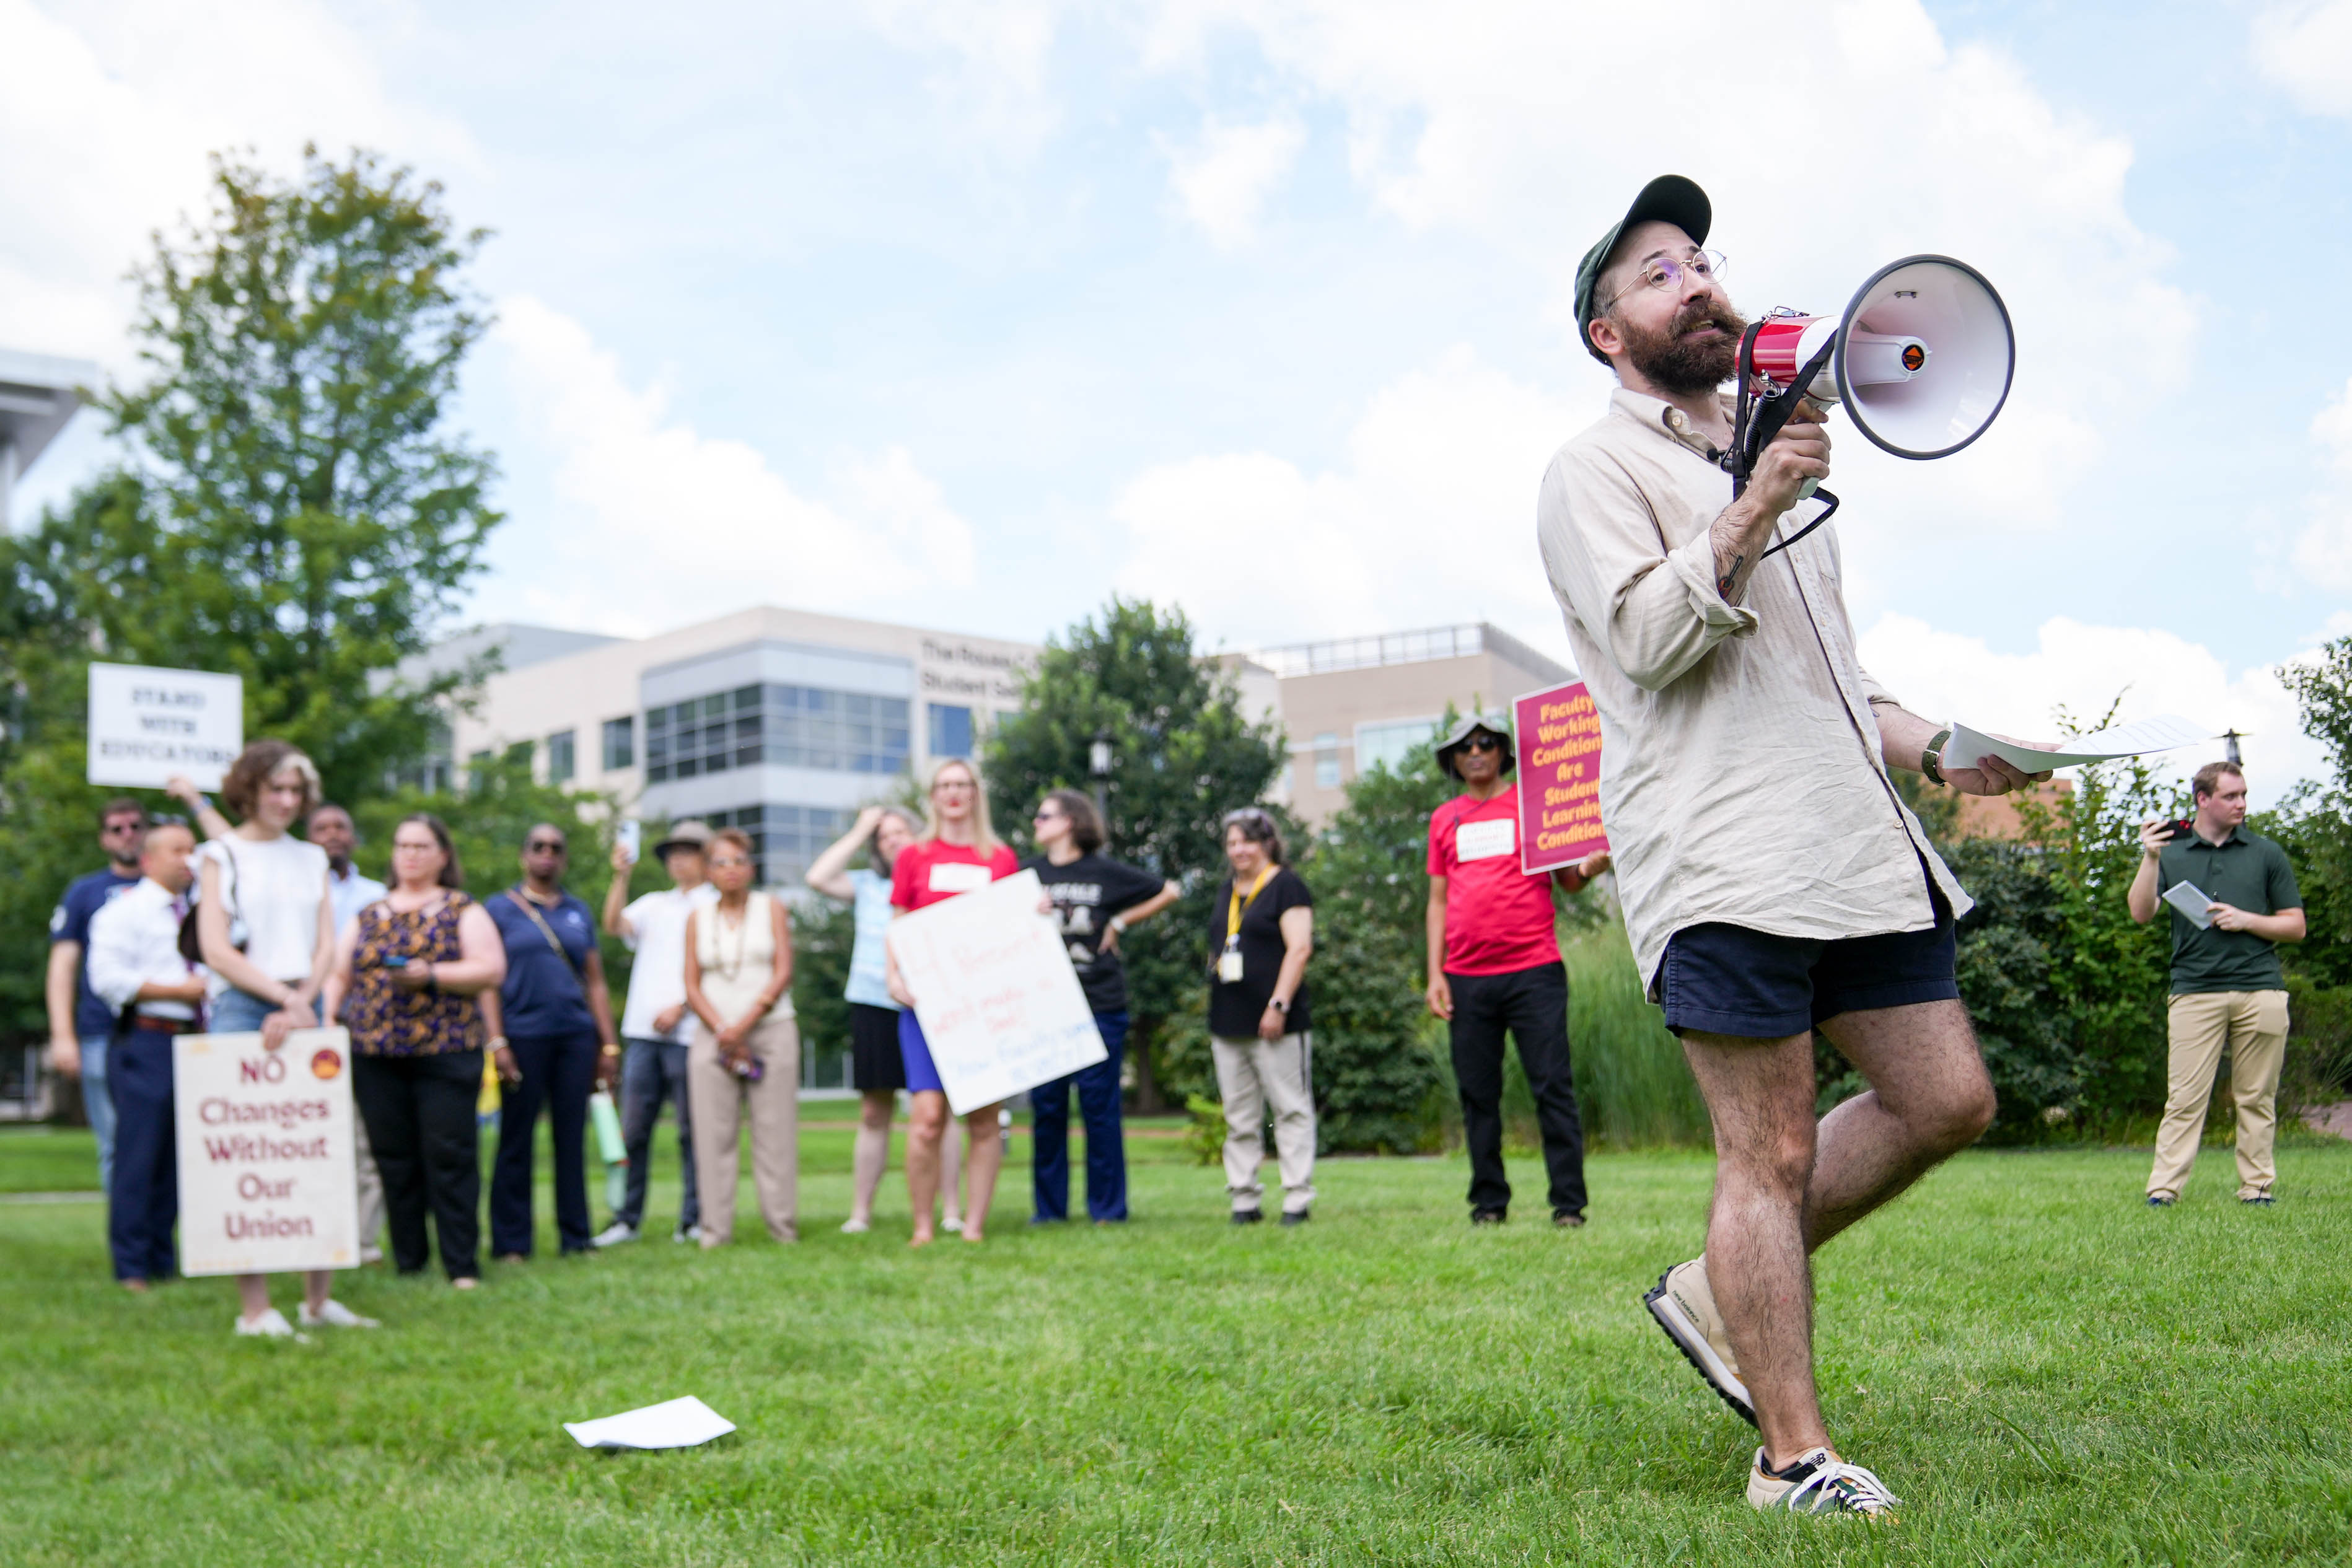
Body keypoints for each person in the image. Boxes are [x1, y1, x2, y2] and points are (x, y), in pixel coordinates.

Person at [1540, 174, 2050, 1515]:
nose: (1695, 279)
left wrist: (1942, 742)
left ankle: (1719, 1287)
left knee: (1946, 1097)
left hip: (1849, 847)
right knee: (1760, 1153)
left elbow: (1827, 677)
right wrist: (1756, 495)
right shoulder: (1595, 468)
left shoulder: (1767, 452)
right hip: (1723, 859)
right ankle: (1791, 1456)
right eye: (1656, 271)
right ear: (1607, 332)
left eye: (1699, 259)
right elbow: (1648, 640)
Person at [196, 739, 379, 1336]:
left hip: (305, 1001)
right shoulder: (220, 853)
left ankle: (317, 1299)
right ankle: (256, 1310)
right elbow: (215, 948)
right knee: (247, 1152)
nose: (286, 800)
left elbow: (328, 943)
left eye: (296, 790)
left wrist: (303, 1000)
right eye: (276, 787)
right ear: (249, 788)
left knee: (313, 1151)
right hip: (244, 1006)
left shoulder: (310, 858)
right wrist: (282, 999)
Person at [1424, 713, 1612, 1229]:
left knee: (1553, 1085)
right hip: (1465, 977)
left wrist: (1594, 865)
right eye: (1465, 746)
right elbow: (1437, 901)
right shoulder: (1444, 819)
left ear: (1503, 752)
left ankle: (1569, 1206)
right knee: (1477, 1093)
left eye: (1486, 742)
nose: (1477, 751)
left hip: (1535, 971)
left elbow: (1569, 881)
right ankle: (1489, 1203)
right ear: (1455, 760)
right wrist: (1435, 973)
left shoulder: (1534, 808)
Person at [322, 815, 505, 1286]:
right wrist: (328, 1016)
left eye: (422, 846)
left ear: (443, 854)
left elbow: (490, 969)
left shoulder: (463, 909)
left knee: (450, 1154)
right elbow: (340, 974)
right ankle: (409, 1260)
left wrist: (432, 975)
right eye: (403, 845)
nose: (411, 854)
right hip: (375, 1052)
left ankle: (461, 1263)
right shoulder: (368, 912)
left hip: (445, 1051)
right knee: (393, 1158)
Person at [2127, 761, 2306, 1207]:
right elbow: (2141, 912)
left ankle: (2257, 1188)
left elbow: (2297, 926)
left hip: (2261, 988)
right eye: (2231, 796)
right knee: (2185, 1098)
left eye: (2244, 794)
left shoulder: (2267, 853)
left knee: (2257, 1097)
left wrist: (2246, 919)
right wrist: (2150, 856)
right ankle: (2163, 1191)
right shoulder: (2171, 851)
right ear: (2203, 799)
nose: (2242, 803)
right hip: (2193, 990)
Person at [807, 805, 967, 1235]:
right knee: (874, 1111)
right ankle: (861, 1211)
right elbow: (817, 877)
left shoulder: (940, 879)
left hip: (930, 1003)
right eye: (883, 836)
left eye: (900, 831)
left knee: (942, 1110)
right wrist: (860, 828)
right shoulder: (867, 884)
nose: (891, 839)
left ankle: (951, 1208)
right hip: (873, 1003)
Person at [1025, 789, 1178, 1224]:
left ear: (1070, 821)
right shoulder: (1026, 874)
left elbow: (1169, 890)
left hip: (1100, 1005)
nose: (1037, 822)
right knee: (1049, 1110)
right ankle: (1049, 1212)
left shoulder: (1105, 872)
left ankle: (1108, 1210)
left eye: (1044, 815)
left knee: (1100, 1109)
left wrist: (1119, 920)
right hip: (1045, 1010)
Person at [886, 758, 1020, 1245]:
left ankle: (974, 1227)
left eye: (963, 784)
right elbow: (898, 920)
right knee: (926, 1120)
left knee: (984, 1119)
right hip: (925, 1007)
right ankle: (923, 1225)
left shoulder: (1000, 855)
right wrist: (894, 975)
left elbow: (1013, 923)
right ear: (934, 795)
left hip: (984, 1007)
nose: (954, 793)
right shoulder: (914, 855)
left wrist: (1037, 910)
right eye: (945, 785)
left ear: (976, 793)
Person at [484, 824, 622, 1261]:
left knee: (571, 1138)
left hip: (575, 1037)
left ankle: (576, 1237)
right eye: (538, 846)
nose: (547, 854)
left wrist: (609, 1044)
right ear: (524, 854)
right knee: (516, 1139)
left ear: (563, 858)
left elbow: (596, 982)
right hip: (522, 1034)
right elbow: (487, 982)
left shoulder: (578, 911)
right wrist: (496, 1039)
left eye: (555, 849)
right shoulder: (499, 910)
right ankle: (511, 1242)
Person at [85, 820, 205, 1291]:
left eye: (193, 849)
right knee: (139, 1155)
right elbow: (109, 980)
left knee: (178, 1157)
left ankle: (163, 1258)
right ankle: (131, 1265)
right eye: (178, 849)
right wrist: (180, 991)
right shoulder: (124, 912)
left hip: (195, 1040)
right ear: (150, 859)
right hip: (146, 1040)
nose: (189, 858)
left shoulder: (202, 910)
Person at [595, 819, 719, 1246]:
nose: (679, 860)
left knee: (691, 1130)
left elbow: (716, 969)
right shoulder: (653, 904)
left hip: (690, 1034)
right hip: (642, 1035)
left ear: (706, 858)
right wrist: (621, 875)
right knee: (634, 1130)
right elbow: (614, 925)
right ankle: (625, 1219)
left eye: (689, 851)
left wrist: (683, 1006)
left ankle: (693, 1218)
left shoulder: (716, 904)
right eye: (673, 853)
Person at [682, 828, 801, 1246]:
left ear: (750, 867)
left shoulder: (771, 908)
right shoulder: (698, 917)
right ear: (708, 870)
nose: (730, 870)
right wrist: (723, 1029)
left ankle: (782, 1227)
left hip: (771, 1028)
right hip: (713, 1034)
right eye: (720, 862)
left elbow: (783, 969)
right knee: (713, 1135)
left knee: (776, 1131)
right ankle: (715, 1230)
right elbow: (691, 985)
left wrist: (746, 1023)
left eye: (738, 861)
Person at [1206, 807, 1316, 1225]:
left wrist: (1278, 1005)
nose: (1239, 850)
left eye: (1247, 841)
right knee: (1239, 1115)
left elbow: (1300, 948)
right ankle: (1244, 1198)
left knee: (1289, 1108)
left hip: (1277, 1022)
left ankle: (1297, 1197)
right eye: (1232, 843)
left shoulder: (1287, 886)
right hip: (1228, 1021)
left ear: (1268, 843)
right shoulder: (1227, 890)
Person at [46, 798, 150, 1193]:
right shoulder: (85, 892)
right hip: (100, 1033)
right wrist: (62, 1034)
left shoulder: (173, 886)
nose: (128, 835)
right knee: (114, 1143)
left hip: (165, 1027)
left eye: (136, 826)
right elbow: (62, 966)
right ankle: (127, 1247)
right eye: (117, 829)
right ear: (104, 839)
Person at [309, 800, 390, 1263]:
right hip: (300, 1025)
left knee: (365, 1138)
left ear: (354, 837)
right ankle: (310, 1232)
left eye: (341, 826)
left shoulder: (376, 895)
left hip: (361, 1030)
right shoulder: (293, 891)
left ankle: (363, 1238)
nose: (332, 834)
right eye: (322, 827)